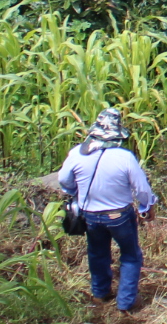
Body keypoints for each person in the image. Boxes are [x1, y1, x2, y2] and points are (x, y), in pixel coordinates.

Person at [58, 108, 155, 312]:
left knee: (97, 253)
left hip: (90, 215)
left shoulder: (77, 153)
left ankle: (100, 294)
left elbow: (64, 181)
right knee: (130, 255)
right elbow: (141, 188)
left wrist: (77, 192)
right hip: (119, 215)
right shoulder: (124, 157)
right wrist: (146, 207)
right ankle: (125, 303)